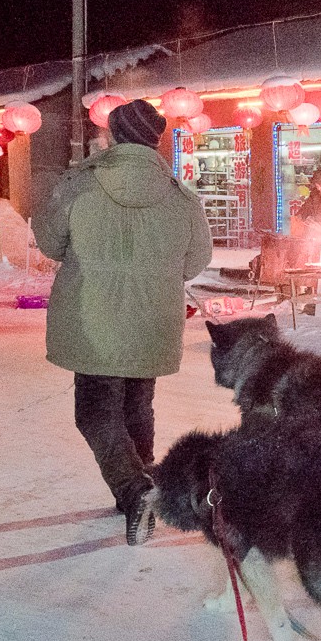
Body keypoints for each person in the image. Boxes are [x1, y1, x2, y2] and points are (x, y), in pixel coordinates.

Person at [32, 98, 212, 544]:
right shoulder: (180, 196)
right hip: (152, 318)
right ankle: (138, 491)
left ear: (112, 134)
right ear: (155, 139)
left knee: (95, 413)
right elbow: (196, 262)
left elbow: (51, 243)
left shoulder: (79, 186)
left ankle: (135, 492)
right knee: (135, 407)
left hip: (91, 316)